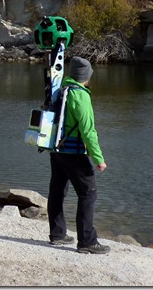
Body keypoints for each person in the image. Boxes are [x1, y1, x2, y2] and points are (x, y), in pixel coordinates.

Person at [47, 56, 110, 254]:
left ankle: (57, 234)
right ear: (87, 76)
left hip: (57, 150)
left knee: (57, 190)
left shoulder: (61, 89)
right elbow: (88, 130)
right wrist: (98, 159)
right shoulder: (80, 95)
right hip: (73, 153)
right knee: (88, 193)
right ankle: (87, 241)